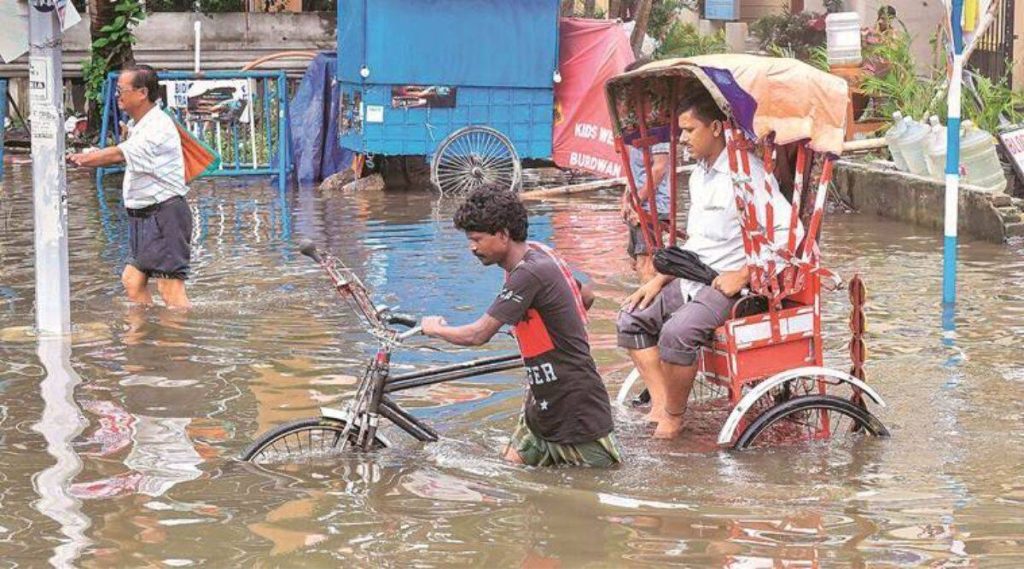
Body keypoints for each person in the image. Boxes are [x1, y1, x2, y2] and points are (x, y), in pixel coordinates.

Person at [616, 89, 802, 439]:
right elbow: (699, 242)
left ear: (716, 128)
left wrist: (744, 273)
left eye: (689, 130)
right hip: (692, 278)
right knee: (631, 318)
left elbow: (792, 234)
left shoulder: (747, 175)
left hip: (730, 285)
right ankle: (662, 405)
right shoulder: (699, 175)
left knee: (677, 333)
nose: (683, 139)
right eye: (681, 131)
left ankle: (673, 415)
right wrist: (659, 280)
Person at [421, 186, 621, 467]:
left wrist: (435, 328)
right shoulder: (540, 254)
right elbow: (585, 295)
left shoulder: (528, 273)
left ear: (503, 234)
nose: (472, 247)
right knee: (507, 474)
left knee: (596, 490)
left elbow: (479, 334)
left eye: (477, 239)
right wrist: (553, 325)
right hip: (543, 402)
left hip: (575, 409)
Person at [69, 64, 193, 309]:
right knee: (133, 281)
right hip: (145, 216)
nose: (118, 96)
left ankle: (178, 344)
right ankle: (143, 339)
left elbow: (119, 155)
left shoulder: (157, 125)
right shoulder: (141, 124)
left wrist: (85, 159)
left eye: (121, 90)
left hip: (164, 215)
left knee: (170, 290)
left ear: (142, 93)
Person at [622, 59, 672, 284]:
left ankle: (646, 315)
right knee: (637, 262)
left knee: (646, 264)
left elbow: (660, 167)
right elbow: (633, 170)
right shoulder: (634, 126)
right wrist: (626, 199)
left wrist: (636, 200)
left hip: (654, 207)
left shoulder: (658, 124)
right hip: (638, 204)